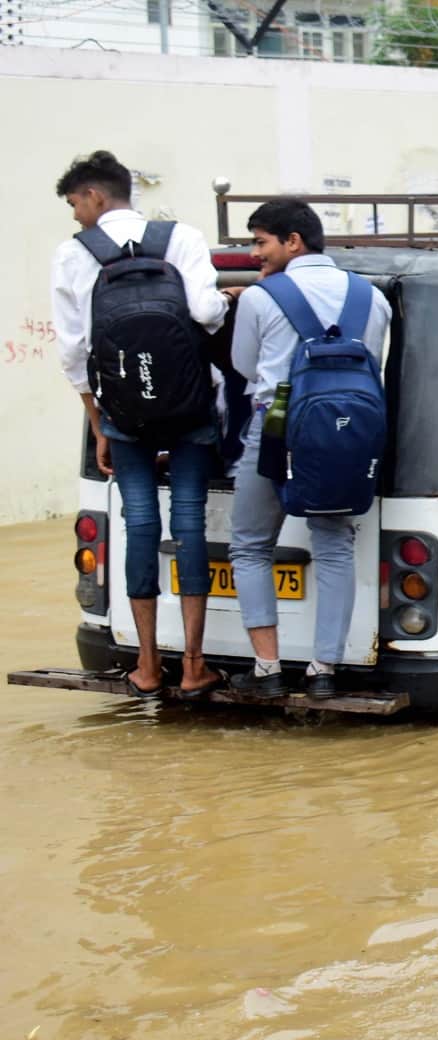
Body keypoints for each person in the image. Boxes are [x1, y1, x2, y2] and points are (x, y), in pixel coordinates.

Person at [50, 150, 228, 698]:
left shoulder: (74, 254)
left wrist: (99, 424)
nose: (75, 215)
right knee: (190, 523)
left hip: (124, 416)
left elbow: (73, 353)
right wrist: (226, 302)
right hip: (191, 408)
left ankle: (147, 665)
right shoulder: (183, 237)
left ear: (95, 196)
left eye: (75, 203)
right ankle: (195, 665)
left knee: (141, 523)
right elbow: (206, 314)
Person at [222, 200, 389, 699]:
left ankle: (268, 669)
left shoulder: (260, 297)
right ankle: (324, 671)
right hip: (347, 434)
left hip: (275, 429)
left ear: (293, 241)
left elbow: (245, 367)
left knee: (251, 546)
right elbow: (374, 365)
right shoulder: (372, 297)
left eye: (260, 242)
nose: (255, 253)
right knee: (334, 543)